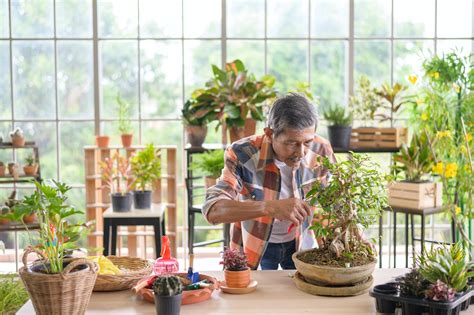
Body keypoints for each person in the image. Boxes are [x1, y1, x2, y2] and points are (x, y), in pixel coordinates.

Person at [202, 93, 335, 270]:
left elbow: (335, 200)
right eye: (291, 143)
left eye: (307, 142)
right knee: (257, 297)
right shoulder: (242, 153)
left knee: (300, 296)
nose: (301, 152)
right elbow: (212, 209)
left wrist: (358, 236)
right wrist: (271, 207)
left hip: (302, 243)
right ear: (270, 134)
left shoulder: (321, 149)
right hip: (255, 245)